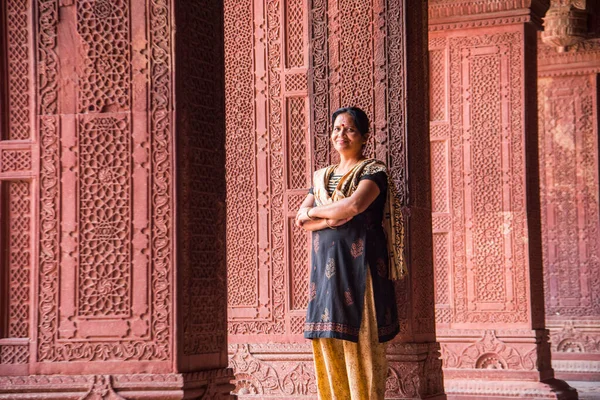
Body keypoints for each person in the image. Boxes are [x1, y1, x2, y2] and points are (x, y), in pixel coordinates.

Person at [295, 106, 406, 400]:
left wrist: (315, 212)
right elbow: (300, 218)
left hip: (361, 269)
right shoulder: (321, 177)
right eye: (336, 129)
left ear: (364, 136)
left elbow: (355, 206)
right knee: (327, 340)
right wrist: (328, 219)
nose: (340, 134)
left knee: (363, 343)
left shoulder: (374, 171)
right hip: (325, 274)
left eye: (349, 129)